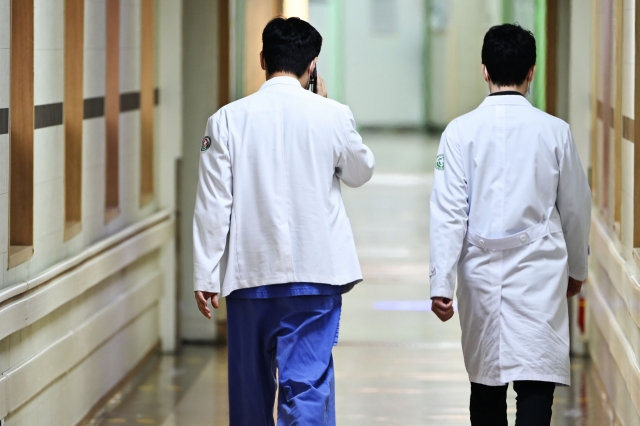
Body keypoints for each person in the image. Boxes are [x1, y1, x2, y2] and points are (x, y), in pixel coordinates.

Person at [192, 17, 374, 426]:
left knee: (249, 395)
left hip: (248, 278)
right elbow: (362, 171)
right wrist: (327, 105)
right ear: (312, 66)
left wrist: (205, 274)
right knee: (307, 389)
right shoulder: (332, 114)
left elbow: (212, 204)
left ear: (262, 60)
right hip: (315, 277)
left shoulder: (226, 120)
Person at [429, 24, 591, 426]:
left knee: (486, 383)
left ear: (484, 71)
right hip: (539, 271)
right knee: (537, 381)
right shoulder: (556, 132)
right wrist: (577, 270)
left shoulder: (459, 133)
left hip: (480, 273)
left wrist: (440, 284)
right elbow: (575, 207)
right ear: (531, 71)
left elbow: (448, 212)